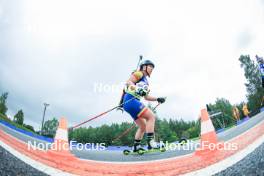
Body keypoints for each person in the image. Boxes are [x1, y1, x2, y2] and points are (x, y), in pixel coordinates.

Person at [122, 60, 166, 152]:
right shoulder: (139, 73)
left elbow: (146, 97)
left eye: (153, 68)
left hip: (131, 103)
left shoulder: (146, 82)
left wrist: (157, 99)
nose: (152, 70)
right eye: (150, 67)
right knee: (151, 116)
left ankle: (136, 147)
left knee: (143, 126)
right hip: (131, 100)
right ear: (144, 67)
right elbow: (128, 82)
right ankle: (151, 143)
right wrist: (137, 88)